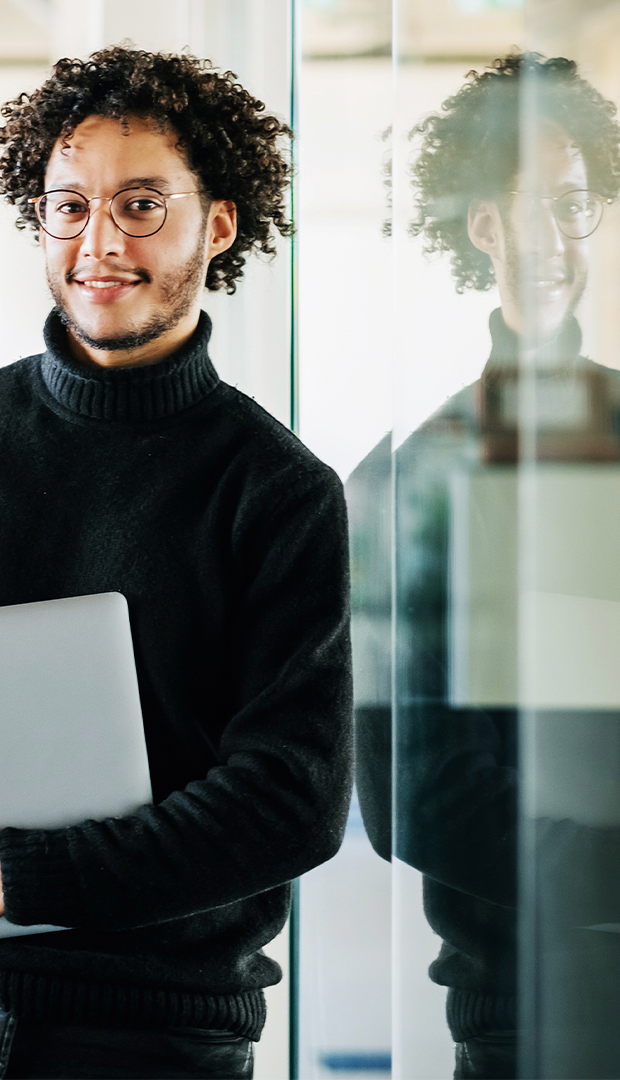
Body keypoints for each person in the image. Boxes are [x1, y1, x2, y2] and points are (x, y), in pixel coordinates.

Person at [0, 46, 352, 1080]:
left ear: (217, 224)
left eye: (141, 205)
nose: (99, 242)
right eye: (69, 206)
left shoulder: (278, 489)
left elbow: (289, 799)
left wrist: (22, 877)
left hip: (155, 1027)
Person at [349, 52, 620, 1080]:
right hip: (525, 1007)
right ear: (481, 226)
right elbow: (412, 793)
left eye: (574, 203)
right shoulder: (407, 480)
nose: (552, 239)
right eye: (523, 205)